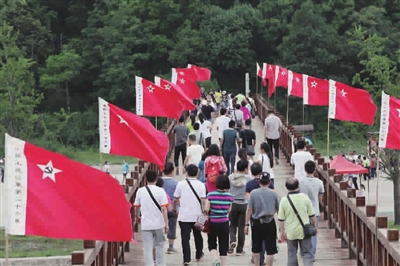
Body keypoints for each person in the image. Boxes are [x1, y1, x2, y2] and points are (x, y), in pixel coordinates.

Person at [278, 178, 317, 266]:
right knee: (307, 253)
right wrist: (315, 226)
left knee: (292, 254)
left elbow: (281, 219)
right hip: (304, 231)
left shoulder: (284, 200)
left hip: (291, 232)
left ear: (286, 188)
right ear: (298, 186)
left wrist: (282, 232)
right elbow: (312, 214)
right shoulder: (304, 197)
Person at [244, 172, 280, 266]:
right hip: (270, 222)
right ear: (269, 182)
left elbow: (249, 209)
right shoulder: (274, 193)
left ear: (259, 182)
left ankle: (257, 264)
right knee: (270, 249)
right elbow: (278, 209)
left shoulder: (253, 193)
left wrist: (246, 224)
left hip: (257, 222)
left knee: (256, 247)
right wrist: (281, 225)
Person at [134, 171, 169, 266]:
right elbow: (163, 208)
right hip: (159, 223)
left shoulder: (140, 191)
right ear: (156, 179)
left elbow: (136, 206)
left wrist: (138, 217)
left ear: (145, 179)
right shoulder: (161, 191)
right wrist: (166, 223)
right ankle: (161, 263)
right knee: (160, 245)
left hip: (146, 223)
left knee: (147, 247)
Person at [174, 164, 206, 265]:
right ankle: (198, 255)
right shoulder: (201, 185)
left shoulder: (181, 184)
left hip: (184, 215)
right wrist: (204, 212)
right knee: (198, 236)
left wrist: (176, 208)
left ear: (186, 172)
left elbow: (176, 198)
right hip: (197, 215)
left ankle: (186, 259)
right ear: (197, 173)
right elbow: (203, 201)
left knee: (185, 238)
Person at [204, 175, 234, 266]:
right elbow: (229, 210)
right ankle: (223, 264)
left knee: (212, 243)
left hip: (213, 223)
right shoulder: (230, 196)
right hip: (224, 222)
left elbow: (206, 209)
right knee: (223, 244)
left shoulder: (210, 195)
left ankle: (215, 260)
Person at [299, 160, 324, 261]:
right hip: (314, 210)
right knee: (313, 231)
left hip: (302, 210)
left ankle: (303, 251)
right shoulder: (319, 182)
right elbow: (320, 197)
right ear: (314, 170)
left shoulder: (300, 182)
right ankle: (312, 254)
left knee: (302, 231)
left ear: (305, 169)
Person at [245, 163, 267, 265]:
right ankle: (262, 257)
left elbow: (249, 201)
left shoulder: (249, 184)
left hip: (254, 213)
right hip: (267, 213)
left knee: (256, 237)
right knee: (265, 237)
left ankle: (257, 258)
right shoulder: (268, 183)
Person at [228, 160, 252, 255]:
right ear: (246, 169)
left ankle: (232, 240)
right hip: (244, 204)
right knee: (242, 227)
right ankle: (239, 249)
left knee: (232, 225)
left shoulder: (230, 177)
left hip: (232, 203)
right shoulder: (249, 179)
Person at [161, 162, 179, 254]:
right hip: (172, 207)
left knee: (160, 225)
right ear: (172, 171)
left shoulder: (159, 181)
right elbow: (178, 197)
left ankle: (158, 245)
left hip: (161, 207)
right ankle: (170, 246)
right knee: (172, 226)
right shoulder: (176, 183)